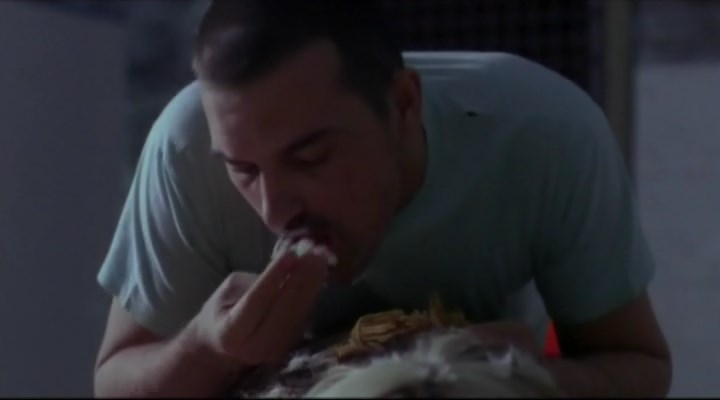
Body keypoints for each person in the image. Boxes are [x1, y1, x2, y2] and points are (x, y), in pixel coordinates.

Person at [93, 0, 672, 397]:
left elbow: (641, 367)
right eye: (243, 170)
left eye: (310, 158)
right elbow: (115, 382)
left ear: (404, 104)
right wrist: (210, 347)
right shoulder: (187, 147)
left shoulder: (545, 136)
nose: (274, 212)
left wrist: (512, 376)